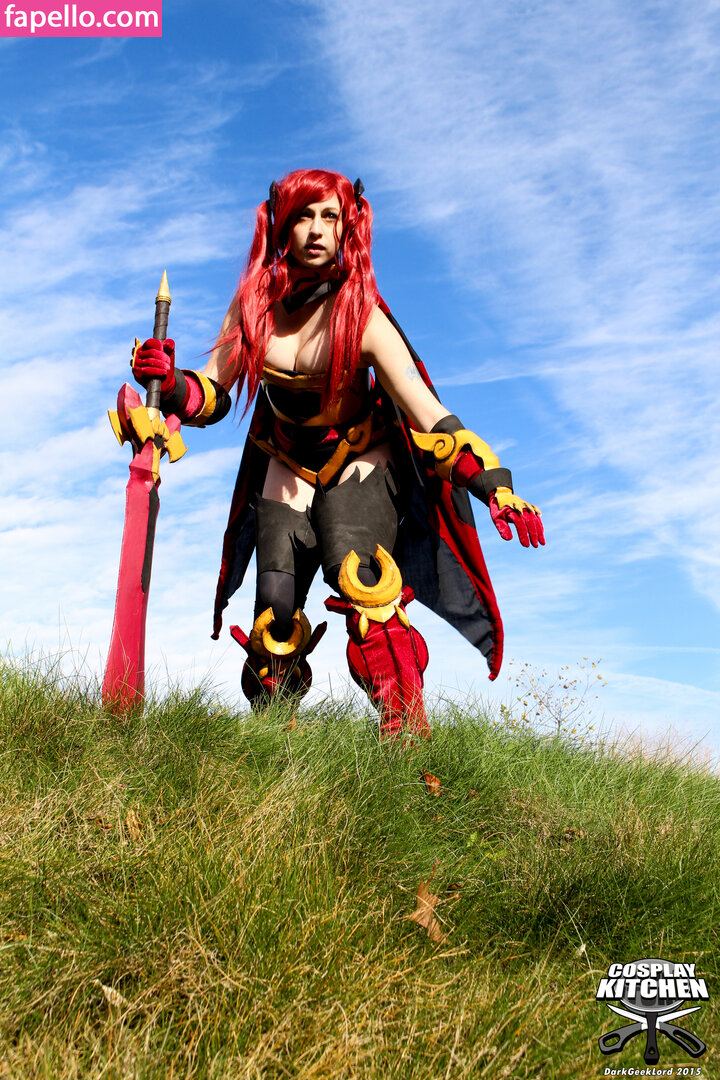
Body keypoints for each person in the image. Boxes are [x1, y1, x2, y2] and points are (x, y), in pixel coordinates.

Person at [131, 168, 544, 739]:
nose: (317, 229)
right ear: (281, 224)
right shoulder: (254, 305)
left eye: (330, 216)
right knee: (275, 616)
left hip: (361, 456)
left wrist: (495, 486)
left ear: (349, 226)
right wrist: (171, 381)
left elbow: (429, 417)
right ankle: (274, 739)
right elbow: (213, 393)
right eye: (304, 215)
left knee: (366, 585)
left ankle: (406, 735)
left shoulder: (361, 313)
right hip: (285, 461)